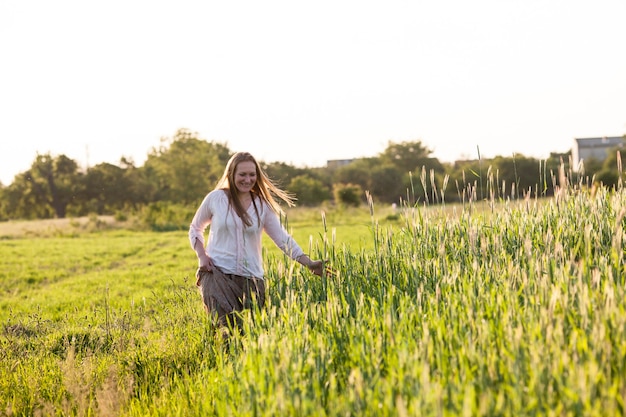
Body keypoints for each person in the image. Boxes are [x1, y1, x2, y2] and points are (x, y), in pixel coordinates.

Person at [189, 151, 325, 332]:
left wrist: (308, 263)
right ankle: (224, 360)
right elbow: (195, 228)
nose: (247, 179)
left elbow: (282, 239)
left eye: (252, 174)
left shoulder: (262, 205)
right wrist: (202, 256)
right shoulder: (216, 199)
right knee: (226, 331)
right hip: (217, 273)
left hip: (251, 279)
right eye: (242, 174)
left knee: (248, 333)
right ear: (232, 175)